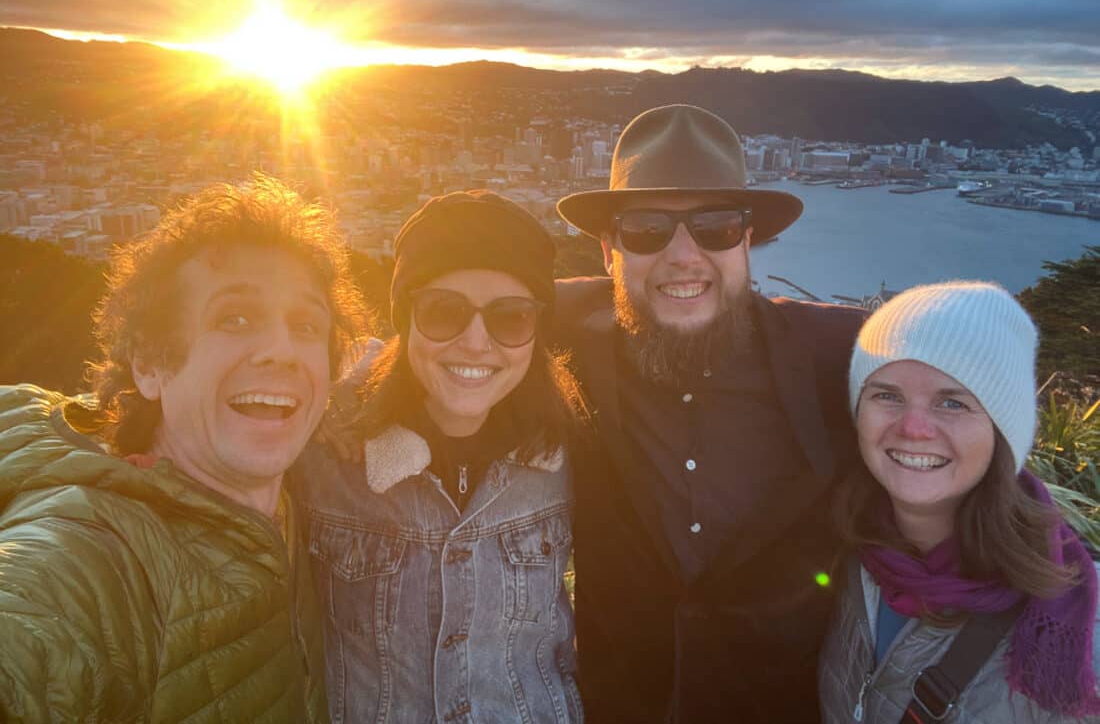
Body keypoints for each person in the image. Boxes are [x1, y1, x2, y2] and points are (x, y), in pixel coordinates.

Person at [0, 175, 367, 722]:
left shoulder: (295, 489)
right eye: (234, 318)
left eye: (306, 325)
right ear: (149, 363)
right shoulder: (92, 556)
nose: (281, 350)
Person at [554, 103, 867, 723]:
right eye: (646, 229)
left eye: (716, 226)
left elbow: (951, 426)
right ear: (608, 250)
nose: (682, 255)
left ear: (748, 240)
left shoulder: (841, 352)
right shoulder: (561, 337)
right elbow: (448, 337)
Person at [298, 190, 588, 724]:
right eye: (443, 311)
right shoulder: (323, 448)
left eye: (511, 318)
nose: (476, 342)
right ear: (405, 318)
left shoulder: (567, 451)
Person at [820, 281, 1100, 723]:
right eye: (887, 395)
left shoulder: (1075, 628)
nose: (913, 428)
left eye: (952, 402)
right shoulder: (845, 553)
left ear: (1002, 433)